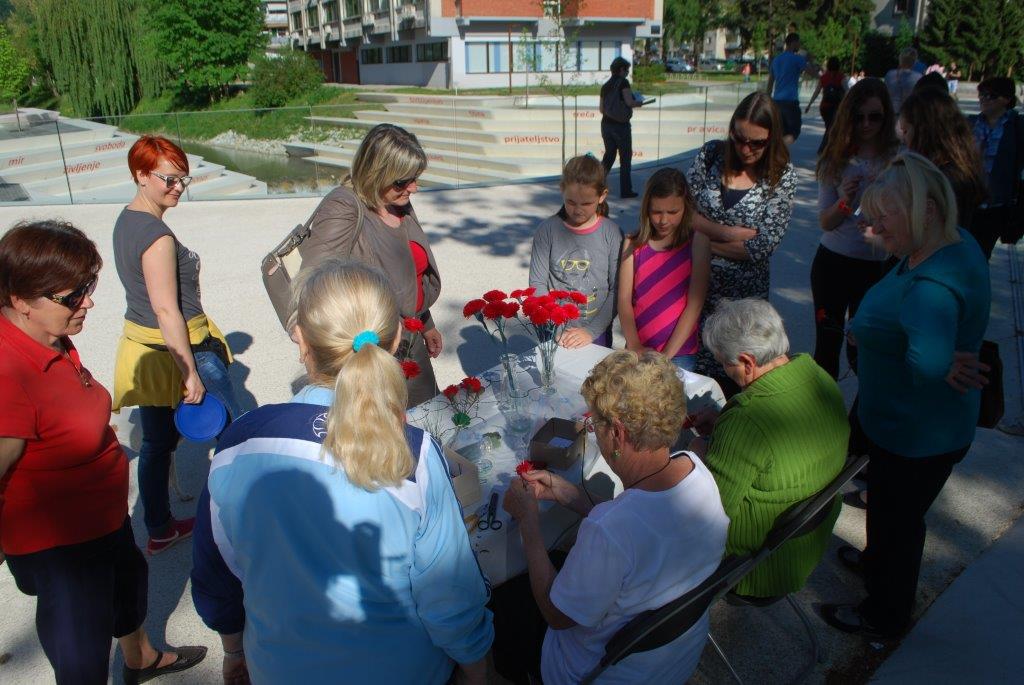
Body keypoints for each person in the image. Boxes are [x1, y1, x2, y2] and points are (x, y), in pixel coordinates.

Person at [191, 260, 493, 684]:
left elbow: (216, 575)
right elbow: (448, 595)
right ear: (397, 338)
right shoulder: (414, 455)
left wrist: (234, 650)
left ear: (299, 338)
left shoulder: (238, 442)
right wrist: (477, 671)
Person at [0, 220, 206, 684]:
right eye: (72, 296)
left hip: (102, 521)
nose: (87, 302)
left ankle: (141, 659)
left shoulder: (49, 337)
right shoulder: (9, 372)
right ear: (20, 300)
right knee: (81, 655)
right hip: (64, 548)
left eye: (88, 287)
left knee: (128, 591)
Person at [820, 153, 991, 638]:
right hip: (908, 423)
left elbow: (928, 363)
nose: (872, 227)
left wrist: (925, 353)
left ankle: (884, 615)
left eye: (883, 216)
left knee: (898, 522)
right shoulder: (949, 245)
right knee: (890, 514)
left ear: (926, 210)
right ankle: (877, 563)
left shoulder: (931, 287)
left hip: (914, 434)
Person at [491, 350, 728, 683]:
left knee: (498, 598)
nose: (595, 433)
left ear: (617, 433)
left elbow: (556, 616)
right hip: (676, 657)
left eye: (595, 426)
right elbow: (639, 532)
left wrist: (528, 523)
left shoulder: (609, 530)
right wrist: (570, 495)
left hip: (599, 673)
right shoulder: (696, 470)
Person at [112, 135, 242, 555]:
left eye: (183, 179)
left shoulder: (127, 219)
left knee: (156, 444)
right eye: (169, 179)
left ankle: (160, 527)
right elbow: (167, 310)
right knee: (235, 431)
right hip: (184, 349)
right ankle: (245, 516)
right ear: (140, 175)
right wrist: (190, 373)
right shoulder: (156, 236)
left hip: (145, 349)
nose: (178, 187)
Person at [688, 299, 848, 598]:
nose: (724, 370)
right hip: (806, 541)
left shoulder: (747, 419)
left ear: (747, 362)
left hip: (754, 566)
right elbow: (780, 444)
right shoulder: (817, 375)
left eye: (724, 363)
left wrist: (697, 455)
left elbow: (709, 512)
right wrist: (723, 423)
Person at [296, 123, 443, 407]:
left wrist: (426, 323)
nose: (413, 187)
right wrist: (304, 334)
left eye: (415, 178)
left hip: (410, 339)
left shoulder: (397, 201)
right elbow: (311, 280)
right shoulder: (344, 206)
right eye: (402, 181)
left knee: (429, 418)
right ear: (377, 173)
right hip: (373, 350)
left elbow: (410, 274)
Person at [686, 91, 797, 394]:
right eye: (739, 138)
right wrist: (729, 233)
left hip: (743, 302)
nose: (746, 149)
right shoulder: (711, 154)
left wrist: (703, 240)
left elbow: (761, 247)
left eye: (756, 143)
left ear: (772, 139)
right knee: (694, 384)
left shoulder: (781, 176)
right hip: (695, 289)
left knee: (737, 382)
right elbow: (683, 211)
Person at [812, 78, 900, 379]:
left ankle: (867, 408)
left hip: (877, 266)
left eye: (874, 116)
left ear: (886, 116)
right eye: (858, 116)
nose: (866, 124)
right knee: (827, 348)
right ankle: (824, 408)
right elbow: (825, 222)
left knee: (865, 350)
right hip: (833, 263)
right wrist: (844, 201)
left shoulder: (898, 159)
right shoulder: (835, 158)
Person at [618, 167, 711, 371]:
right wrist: (634, 345)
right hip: (638, 349)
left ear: (686, 206)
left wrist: (667, 355)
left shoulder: (698, 242)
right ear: (646, 208)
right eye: (656, 212)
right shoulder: (633, 243)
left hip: (679, 354)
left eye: (673, 212)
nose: (664, 220)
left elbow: (695, 304)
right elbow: (624, 300)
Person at [529, 155, 623, 348]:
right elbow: (537, 283)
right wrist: (555, 325)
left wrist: (590, 332)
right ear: (562, 190)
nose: (578, 210)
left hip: (595, 333)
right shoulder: (547, 230)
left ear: (602, 196)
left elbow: (618, 289)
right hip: (553, 330)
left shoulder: (612, 234)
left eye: (586, 203)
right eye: (571, 202)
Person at [899, 89, 988, 230]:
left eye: (905, 131)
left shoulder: (943, 179)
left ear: (924, 132)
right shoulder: (960, 166)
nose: (904, 139)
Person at [969, 77, 1024, 259]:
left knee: (981, 254)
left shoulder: (1017, 126)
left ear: (1006, 99)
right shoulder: (971, 123)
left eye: (990, 95)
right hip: (968, 201)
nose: (983, 99)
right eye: (981, 94)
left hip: (997, 206)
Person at [599, 56, 646, 198]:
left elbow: (601, 109)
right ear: (621, 69)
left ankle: (596, 185)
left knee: (609, 156)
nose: (627, 73)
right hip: (621, 127)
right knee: (625, 158)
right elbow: (629, 102)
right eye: (627, 70)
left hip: (606, 125)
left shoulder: (605, 86)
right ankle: (626, 190)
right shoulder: (623, 83)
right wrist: (639, 103)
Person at [766, 32, 818, 145]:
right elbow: (814, 74)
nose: (799, 46)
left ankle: (779, 152)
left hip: (777, 101)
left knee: (780, 132)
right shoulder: (797, 59)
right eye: (798, 43)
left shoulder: (776, 60)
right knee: (794, 132)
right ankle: (777, 148)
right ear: (793, 43)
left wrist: (767, 100)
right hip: (790, 102)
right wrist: (810, 60)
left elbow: (770, 83)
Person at [805, 56, 846, 153]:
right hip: (836, 107)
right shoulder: (841, 77)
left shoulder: (823, 78)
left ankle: (828, 149)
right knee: (831, 128)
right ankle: (824, 149)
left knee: (829, 127)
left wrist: (809, 104)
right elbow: (847, 91)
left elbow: (816, 92)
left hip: (824, 107)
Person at [884, 48, 922, 114]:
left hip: (891, 112)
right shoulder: (918, 77)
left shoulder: (890, 74)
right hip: (909, 113)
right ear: (914, 61)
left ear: (900, 59)